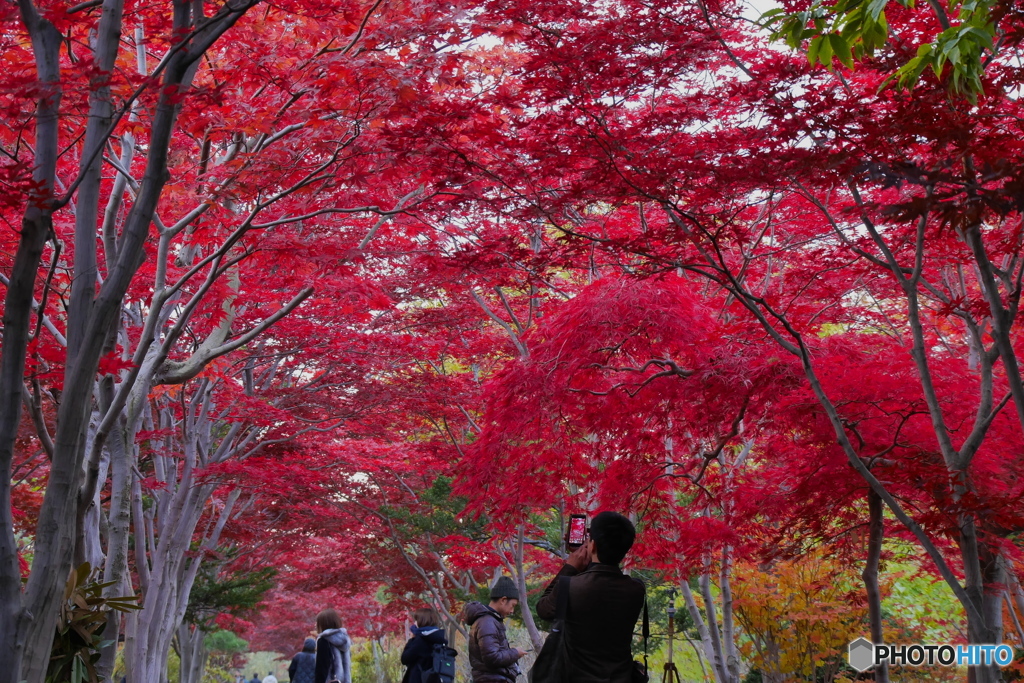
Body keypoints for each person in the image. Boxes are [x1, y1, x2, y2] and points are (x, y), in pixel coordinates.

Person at [536, 511, 645, 683]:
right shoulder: (636, 589)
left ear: (592, 545)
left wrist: (571, 567)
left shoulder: (571, 586)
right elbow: (599, 587)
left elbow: (544, 609)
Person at [465, 576, 529, 683]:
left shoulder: (489, 620)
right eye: (512, 606)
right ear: (503, 600)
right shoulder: (487, 623)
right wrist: (515, 653)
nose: (512, 611)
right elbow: (492, 658)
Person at [401, 607, 448, 683]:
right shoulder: (439, 638)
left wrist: (411, 642)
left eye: (416, 620)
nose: (415, 623)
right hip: (434, 679)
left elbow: (405, 658)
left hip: (418, 678)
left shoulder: (420, 640)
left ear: (422, 621)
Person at [314, 608, 352, 683]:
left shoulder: (324, 640)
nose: (315, 625)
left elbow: (322, 667)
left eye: (318, 623)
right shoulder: (344, 640)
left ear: (323, 624)